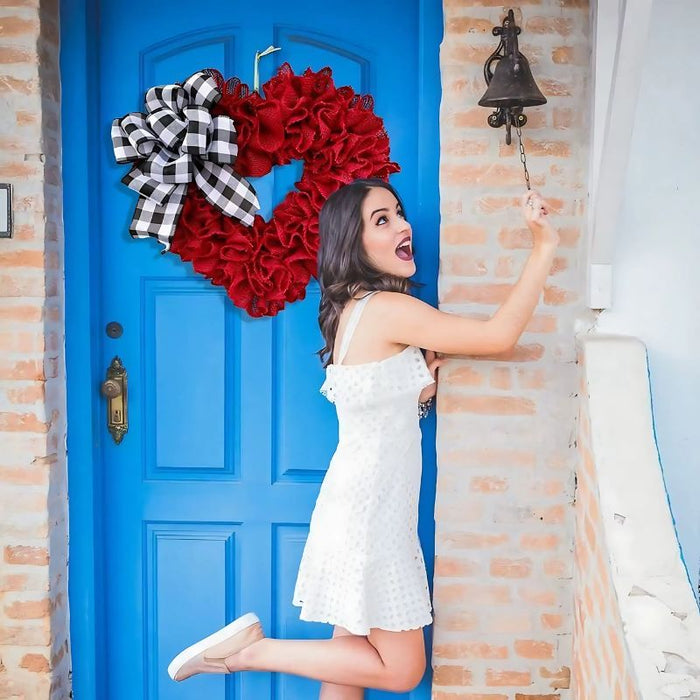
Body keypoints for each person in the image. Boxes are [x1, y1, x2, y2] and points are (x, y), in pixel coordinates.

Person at [167, 177, 559, 695]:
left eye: (398, 213)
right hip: (372, 511)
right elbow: (497, 337)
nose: (403, 225)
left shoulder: (355, 312)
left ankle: (249, 650)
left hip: (358, 501)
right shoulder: (388, 309)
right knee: (400, 670)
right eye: (382, 220)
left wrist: (418, 395)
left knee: (346, 659)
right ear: (354, 243)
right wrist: (544, 246)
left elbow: (373, 408)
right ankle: (250, 651)